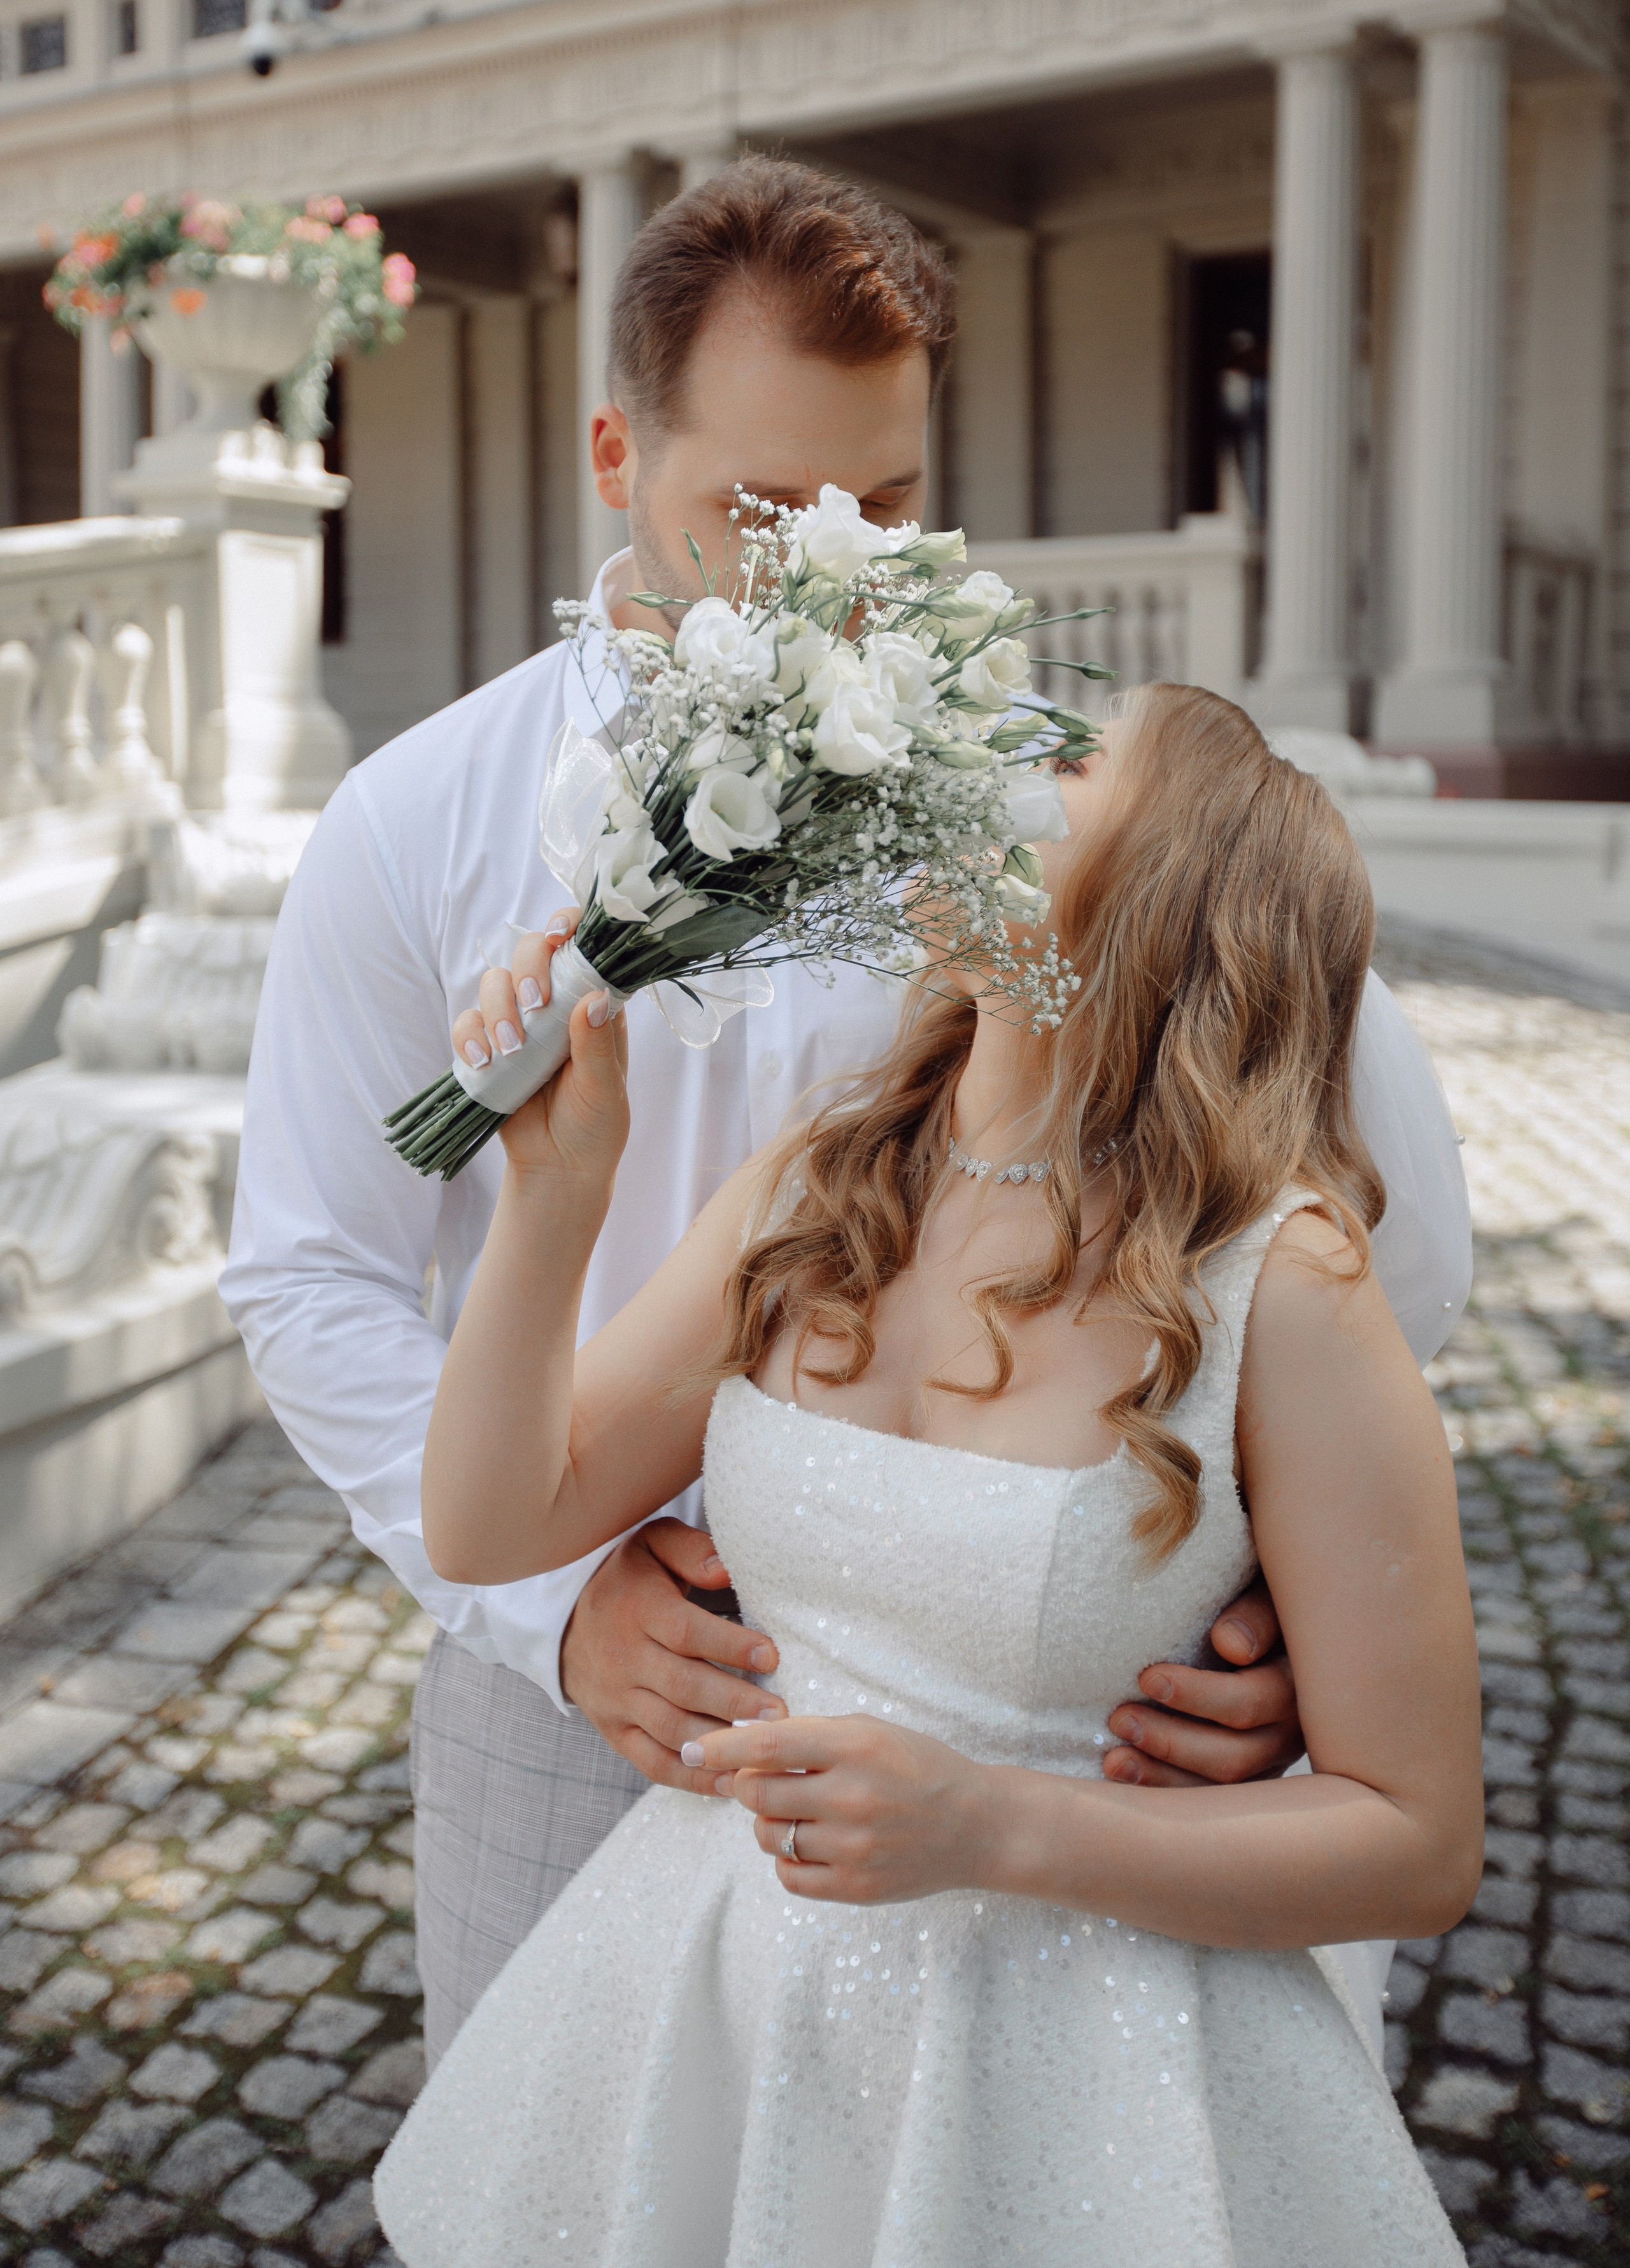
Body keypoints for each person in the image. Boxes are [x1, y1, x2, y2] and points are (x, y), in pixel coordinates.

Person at [220, 159, 1471, 2075]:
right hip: (585, 1668)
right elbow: (311, 1279)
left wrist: (1279, 1609)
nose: (838, 571)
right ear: (617, 451)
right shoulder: (415, 823)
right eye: (763, 508)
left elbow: (1357, 1208)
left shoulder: (1052, 803)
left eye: (885, 505)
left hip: (1034, 1689)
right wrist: (558, 1611)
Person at [374, 682, 1480, 2266]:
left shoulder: (1280, 1287)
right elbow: (485, 1524)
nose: (990, 765)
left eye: (1069, 756)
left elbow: (1418, 1837)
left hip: (1081, 2075)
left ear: (1174, 884)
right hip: (725, 2004)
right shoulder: (818, 1185)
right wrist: (553, 1201)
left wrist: (993, 1827)